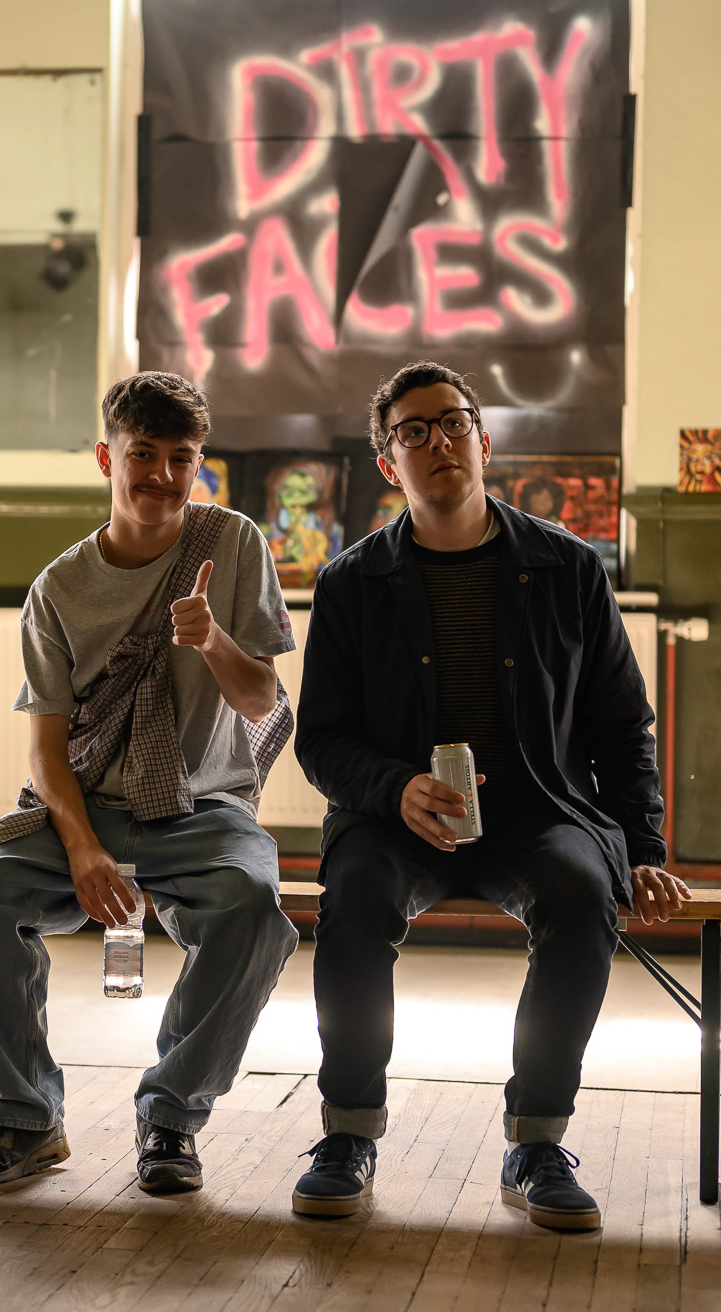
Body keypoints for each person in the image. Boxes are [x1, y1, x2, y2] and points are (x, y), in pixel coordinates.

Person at [289, 361, 684, 1231]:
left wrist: (645, 851)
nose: (439, 442)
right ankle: (348, 1132)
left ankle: (537, 1141)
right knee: (352, 893)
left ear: (485, 439)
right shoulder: (352, 583)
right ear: (388, 462)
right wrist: (395, 790)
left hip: (538, 812)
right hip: (398, 820)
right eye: (414, 431)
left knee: (583, 891)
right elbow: (319, 740)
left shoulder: (568, 567)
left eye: (453, 422)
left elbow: (625, 727)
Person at [0, 371, 299, 1194]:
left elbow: (261, 699)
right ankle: (21, 1117)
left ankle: (171, 1117)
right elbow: (45, 752)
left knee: (254, 913)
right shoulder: (60, 589)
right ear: (107, 456)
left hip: (204, 807)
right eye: (144, 455)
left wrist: (211, 640)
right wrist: (84, 847)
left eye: (183, 458)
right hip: (89, 803)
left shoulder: (233, 543)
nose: (163, 477)